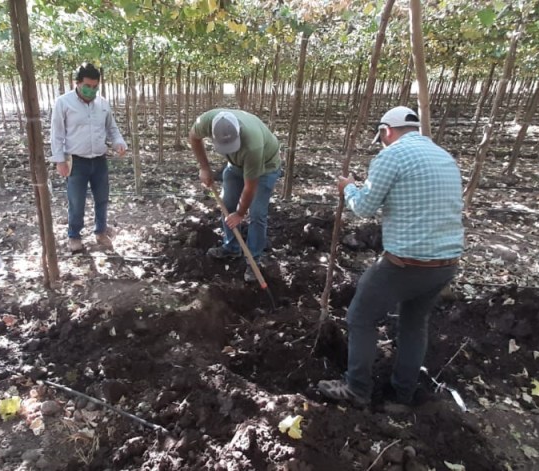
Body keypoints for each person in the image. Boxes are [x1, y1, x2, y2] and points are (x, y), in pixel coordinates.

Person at [317, 106, 464, 408]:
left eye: (381, 138)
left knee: (360, 317)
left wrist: (348, 189)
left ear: (386, 131)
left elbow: (364, 208)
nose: (382, 143)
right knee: (414, 323)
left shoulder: (391, 156)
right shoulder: (443, 156)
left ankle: (357, 389)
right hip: (446, 263)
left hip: (407, 263)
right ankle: (402, 396)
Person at [189, 109, 281, 283]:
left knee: (257, 213)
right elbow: (193, 138)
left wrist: (240, 213)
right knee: (227, 205)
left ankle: (253, 259)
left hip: (265, 168)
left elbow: (250, 187)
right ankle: (231, 247)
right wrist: (204, 167)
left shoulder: (253, 145)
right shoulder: (206, 122)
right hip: (235, 165)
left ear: (238, 132)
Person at [49, 63, 127, 253]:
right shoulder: (63, 103)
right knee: (76, 201)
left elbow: (111, 128)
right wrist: (59, 160)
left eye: (95, 87)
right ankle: (74, 235)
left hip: (99, 160)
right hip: (76, 161)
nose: (91, 90)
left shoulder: (103, 103)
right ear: (77, 83)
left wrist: (118, 142)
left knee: (102, 199)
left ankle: (100, 232)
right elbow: (56, 134)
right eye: (87, 86)